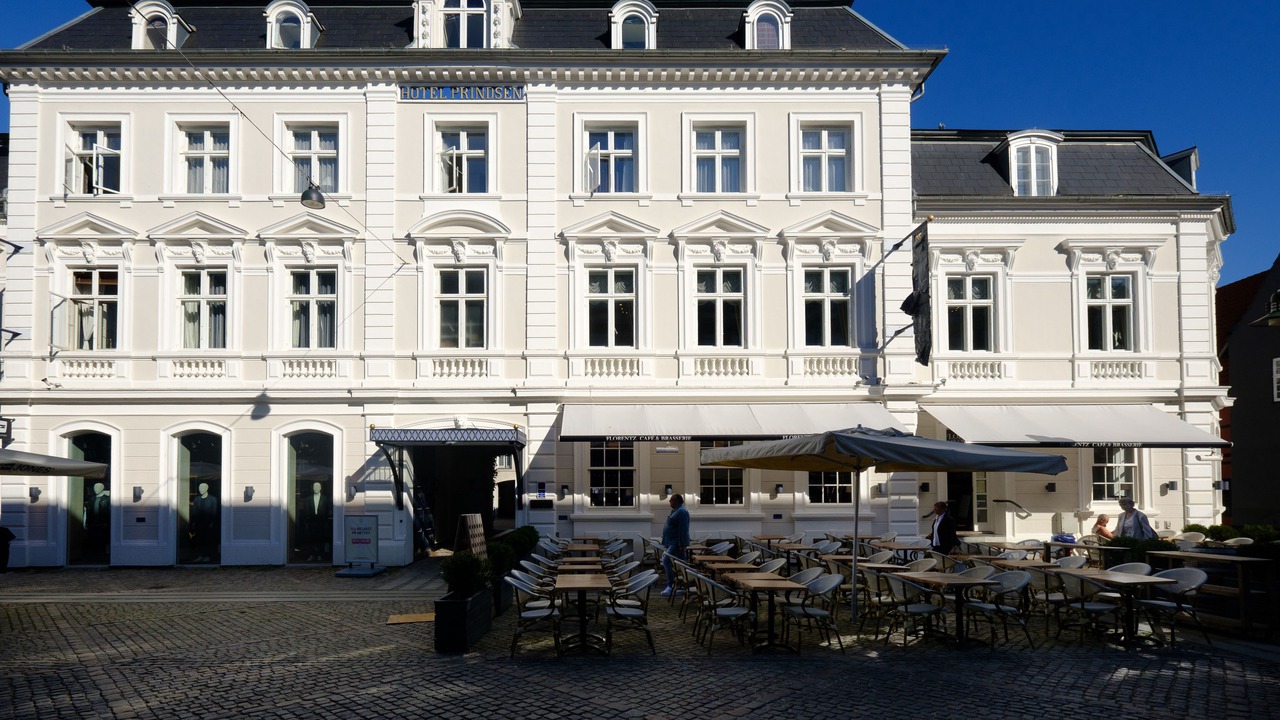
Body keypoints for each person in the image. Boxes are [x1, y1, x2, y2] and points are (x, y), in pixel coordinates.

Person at [659, 493, 690, 596]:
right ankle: (684, 586)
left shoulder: (681, 512)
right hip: (672, 542)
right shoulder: (676, 511)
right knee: (682, 565)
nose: (669, 501)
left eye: (671, 500)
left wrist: (682, 544)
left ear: (676, 501)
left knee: (666, 560)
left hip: (676, 543)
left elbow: (683, 529)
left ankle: (670, 585)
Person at [297, 481, 332, 562]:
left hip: (321, 521)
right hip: (311, 521)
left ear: (320, 488)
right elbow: (306, 511)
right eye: (315, 487)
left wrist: (326, 521)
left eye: (317, 487)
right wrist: (306, 522)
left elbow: (327, 510)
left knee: (321, 539)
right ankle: (312, 554)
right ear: (313, 488)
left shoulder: (325, 499)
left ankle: (320, 555)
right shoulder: (308, 499)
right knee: (311, 539)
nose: (316, 488)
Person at [189, 482, 219, 563]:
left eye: (202, 488)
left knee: (208, 540)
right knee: (199, 540)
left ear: (206, 488)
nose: (200, 490)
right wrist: (192, 523)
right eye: (199, 488)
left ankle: (208, 556)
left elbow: (214, 512)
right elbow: (194, 512)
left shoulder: (213, 499)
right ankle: (201, 555)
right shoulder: (197, 499)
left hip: (208, 524)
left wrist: (212, 522)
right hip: (199, 523)